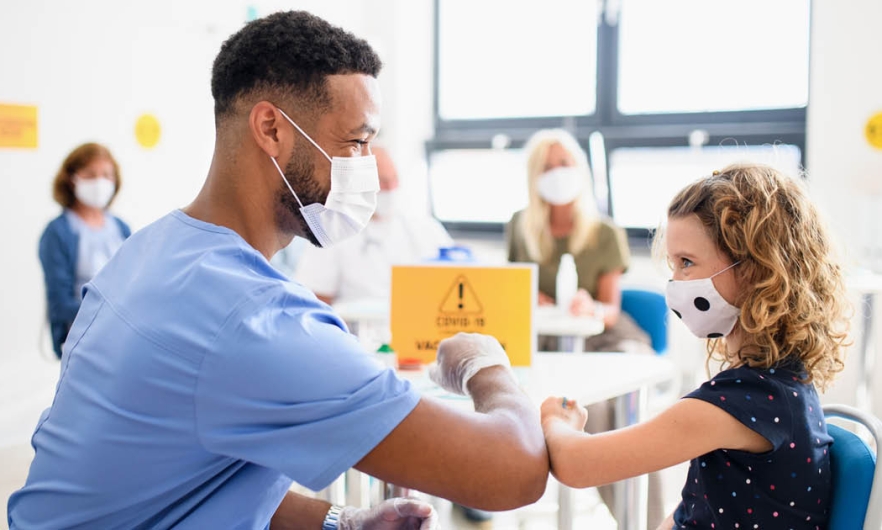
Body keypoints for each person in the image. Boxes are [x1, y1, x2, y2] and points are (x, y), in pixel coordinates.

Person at [7, 11, 548, 530]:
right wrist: (483, 362)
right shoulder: (253, 320)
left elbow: (182, 473)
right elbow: (513, 469)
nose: (367, 170)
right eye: (355, 141)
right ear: (271, 128)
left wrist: (339, 520)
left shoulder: (149, 251)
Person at [541, 164, 849, 529]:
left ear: (755, 269)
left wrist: (558, 421)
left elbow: (577, 464)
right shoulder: (783, 387)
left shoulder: (736, 405)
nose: (675, 282)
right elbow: (694, 508)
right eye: (673, 264)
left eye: (687, 262)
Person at [506, 128, 662, 526]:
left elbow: (611, 309)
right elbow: (511, 289)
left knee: (611, 408)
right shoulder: (521, 227)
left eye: (565, 164)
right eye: (548, 166)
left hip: (606, 338)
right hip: (546, 342)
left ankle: (639, 518)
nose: (557, 173)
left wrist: (589, 305)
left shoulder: (604, 232)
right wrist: (529, 298)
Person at [296, 145, 453, 305]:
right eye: (383, 182)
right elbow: (316, 300)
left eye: (394, 180)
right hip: (355, 327)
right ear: (362, 184)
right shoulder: (333, 231)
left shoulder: (424, 227)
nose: (391, 189)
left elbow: (454, 278)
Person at [38, 142, 131, 359]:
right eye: (90, 174)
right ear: (72, 179)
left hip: (122, 331)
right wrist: (111, 314)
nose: (100, 182)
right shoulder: (58, 232)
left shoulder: (120, 227)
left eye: (107, 175)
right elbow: (60, 303)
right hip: (81, 336)